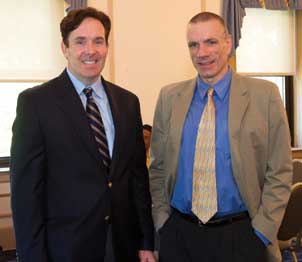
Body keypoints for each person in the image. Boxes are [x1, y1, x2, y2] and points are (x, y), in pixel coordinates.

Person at [10, 7, 156, 262]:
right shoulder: (36, 104)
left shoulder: (127, 102)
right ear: (64, 48)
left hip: (123, 245)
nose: (91, 50)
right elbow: (25, 195)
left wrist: (146, 241)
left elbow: (137, 180)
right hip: (65, 249)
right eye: (80, 41)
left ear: (107, 47)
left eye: (98, 41)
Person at [149, 11, 292, 262]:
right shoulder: (169, 98)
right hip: (179, 235)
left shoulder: (265, 96)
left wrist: (262, 231)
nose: (202, 53)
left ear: (228, 42)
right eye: (194, 44)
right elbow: (158, 168)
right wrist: (162, 221)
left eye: (211, 42)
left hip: (242, 236)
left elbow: (279, 171)